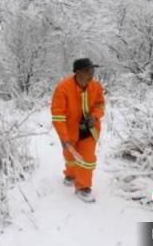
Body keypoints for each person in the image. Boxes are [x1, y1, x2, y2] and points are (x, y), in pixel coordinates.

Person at [50, 58, 106, 203]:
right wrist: (64, 137)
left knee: (87, 159)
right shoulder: (63, 88)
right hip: (70, 131)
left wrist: (95, 116)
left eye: (93, 70)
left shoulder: (96, 87)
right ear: (78, 72)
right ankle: (70, 175)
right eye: (88, 70)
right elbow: (58, 115)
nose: (91, 74)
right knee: (70, 156)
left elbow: (100, 105)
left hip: (89, 130)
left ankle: (83, 187)